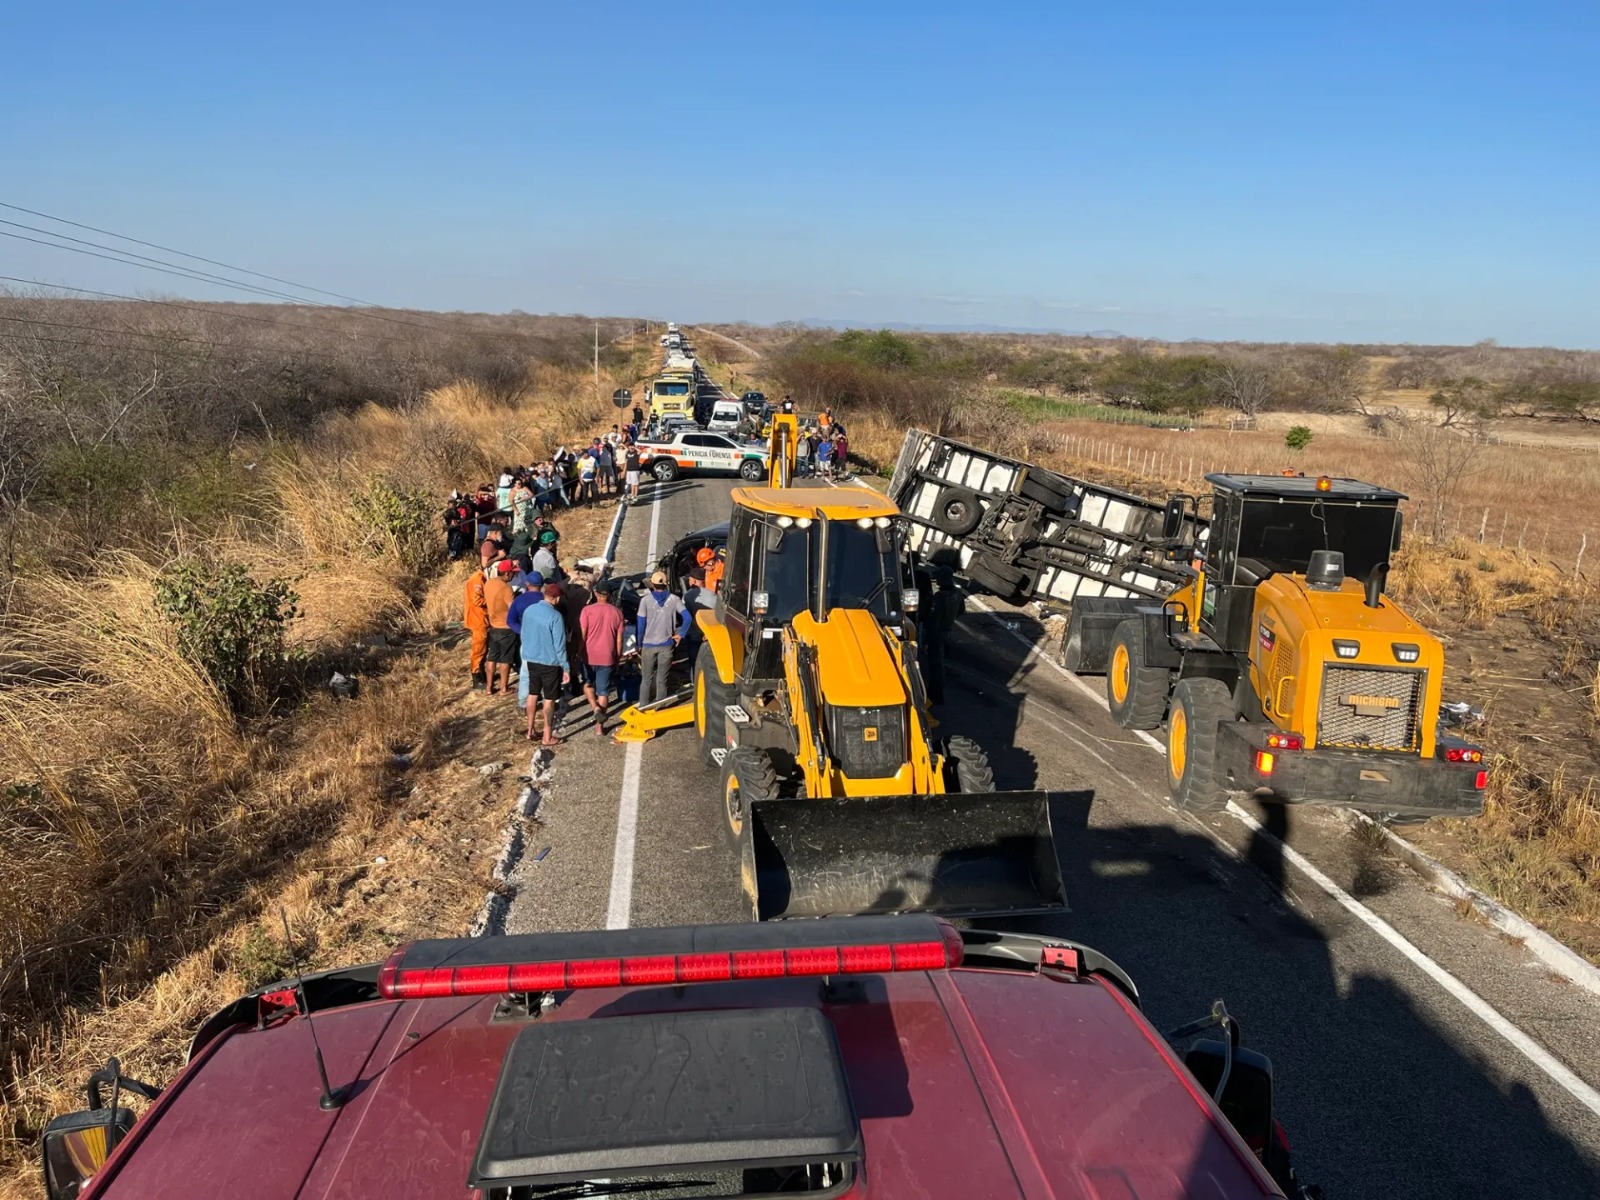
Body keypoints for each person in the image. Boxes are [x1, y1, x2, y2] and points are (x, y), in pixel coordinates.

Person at [519, 582, 570, 746]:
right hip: (550, 662)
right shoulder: (555, 617)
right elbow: (560, 645)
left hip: (531, 658)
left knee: (532, 693)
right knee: (549, 698)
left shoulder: (529, 610)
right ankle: (547, 736)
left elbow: (523, 634)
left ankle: (530, 730)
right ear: (557, 598)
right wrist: (566, 667)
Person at [579, 579, 625, 737]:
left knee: (587, 684)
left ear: (595, 593)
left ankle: (594, 707)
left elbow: (583, 636)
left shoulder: (586, 611)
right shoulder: (617, 613)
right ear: (610, 595)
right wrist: (618, 658)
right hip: (607, 656)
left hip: (589, 655)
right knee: (603, 692)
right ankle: (600, 727)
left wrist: (579, 652)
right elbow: (619, 640)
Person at [636, 570, 689, 706]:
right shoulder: (674, 599)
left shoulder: (645, 601)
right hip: (666, 644)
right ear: (666, 584)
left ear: (652, 584)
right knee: (662, 679)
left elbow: (641, 624)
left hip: (648, 645)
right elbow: (687, 618)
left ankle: (643, 706)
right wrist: (680, 634)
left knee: (646, 679)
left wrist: (639, 643)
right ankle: (660, 708)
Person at [922, 569, 965, 706]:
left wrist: (927, 640)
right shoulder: (958, 593)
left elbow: (932, 622)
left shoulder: (939, 598)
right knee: (940, 660)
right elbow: (961, 611)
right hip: (948, 630)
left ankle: (935, 693)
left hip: (937, 634)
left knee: (935, 664)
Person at [483, 559, 520, 697]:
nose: (513, 576)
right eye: (512, 573)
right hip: (506, 628)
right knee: (506, 659)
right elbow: (512, 609)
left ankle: (488, 688)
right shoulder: (506, 588)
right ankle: (504, 688)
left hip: (493, 625)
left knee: (492, 657)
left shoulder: (489, 583)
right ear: (507, 573)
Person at [463, 562, 491, 687]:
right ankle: (476, 677)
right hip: (478, 619)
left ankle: (480, 672)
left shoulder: (482, 578)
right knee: (478, 649)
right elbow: (477, 600)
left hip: (481, 618)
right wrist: (493, 600)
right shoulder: (477, 580)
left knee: (483, 648)